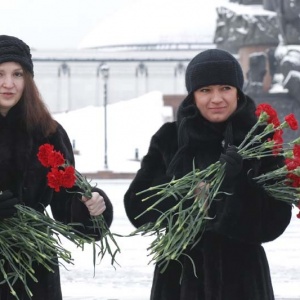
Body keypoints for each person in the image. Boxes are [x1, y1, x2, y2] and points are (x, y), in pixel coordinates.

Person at [124, 49, 292, 300]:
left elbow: (276, 219)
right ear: (193, 95)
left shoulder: (258, 139)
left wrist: (235, 187)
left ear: (238, 91)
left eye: (225, 88)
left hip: (244, 281)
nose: (216, 99)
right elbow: (137, 206)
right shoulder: (169, 138)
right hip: (179, 281)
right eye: (205, 90)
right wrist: (187, 194)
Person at [0, 35, 113, 300]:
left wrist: (90, 204)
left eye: (18, 74)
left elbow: (65, 202)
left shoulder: (47, 132)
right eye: (0, 73)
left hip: (34, 265)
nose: (8, 84)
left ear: (28, 80)